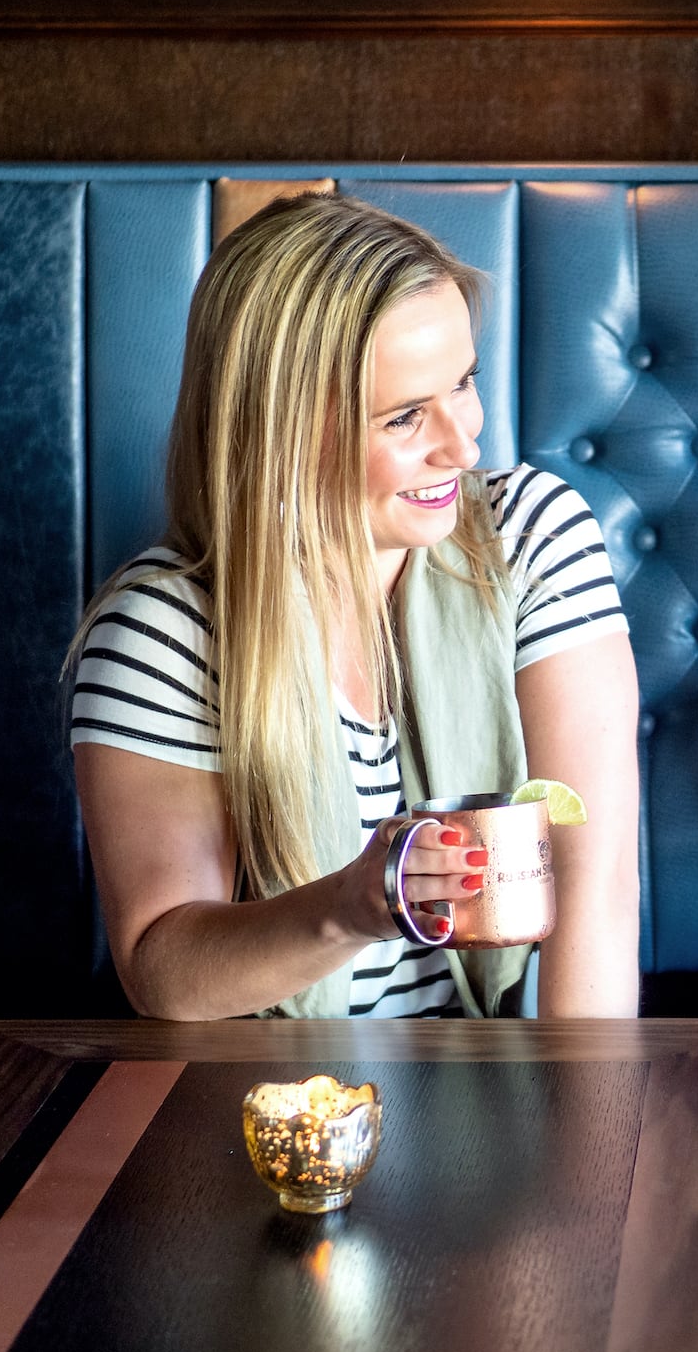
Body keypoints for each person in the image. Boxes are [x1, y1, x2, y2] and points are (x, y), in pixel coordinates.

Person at [69, 193, 641, 1021]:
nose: (463, 442)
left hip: (492, 1081)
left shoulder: (531, 538)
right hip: (269, 1111)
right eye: (406, 416)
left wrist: (587, 1134)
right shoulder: (162, 635)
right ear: (281, 433)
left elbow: (598, 891)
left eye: (464, 384)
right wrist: (352, 904)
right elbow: (165, 969)